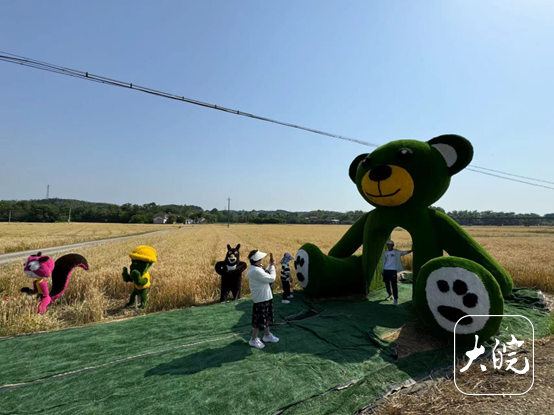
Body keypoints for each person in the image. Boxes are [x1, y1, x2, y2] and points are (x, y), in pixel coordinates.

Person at [245, 249, 279, 349]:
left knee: (266, 318)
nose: (262, 260)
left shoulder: (257, 267)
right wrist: (273, 266)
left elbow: (265, 273)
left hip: (265, 297)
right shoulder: (255, 271)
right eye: (260, 259)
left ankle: (267, 335)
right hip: (261, 299)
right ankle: (253, 339)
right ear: (257, 260)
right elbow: (271, 278)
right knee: (258, 320)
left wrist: (270, 265)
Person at [382, 240, 412, 306]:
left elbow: (404, 252)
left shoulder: (397, 252)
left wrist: (412, 250)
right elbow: (383, 262)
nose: (388, 246)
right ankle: (390, 295)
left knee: (394, 285)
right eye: (387, 245)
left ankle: (396, 299)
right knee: (387, 284)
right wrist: (382, 270)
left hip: (393, 270)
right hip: (386, 270)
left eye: (390, 245)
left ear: (393, 245)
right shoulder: (385, 253)